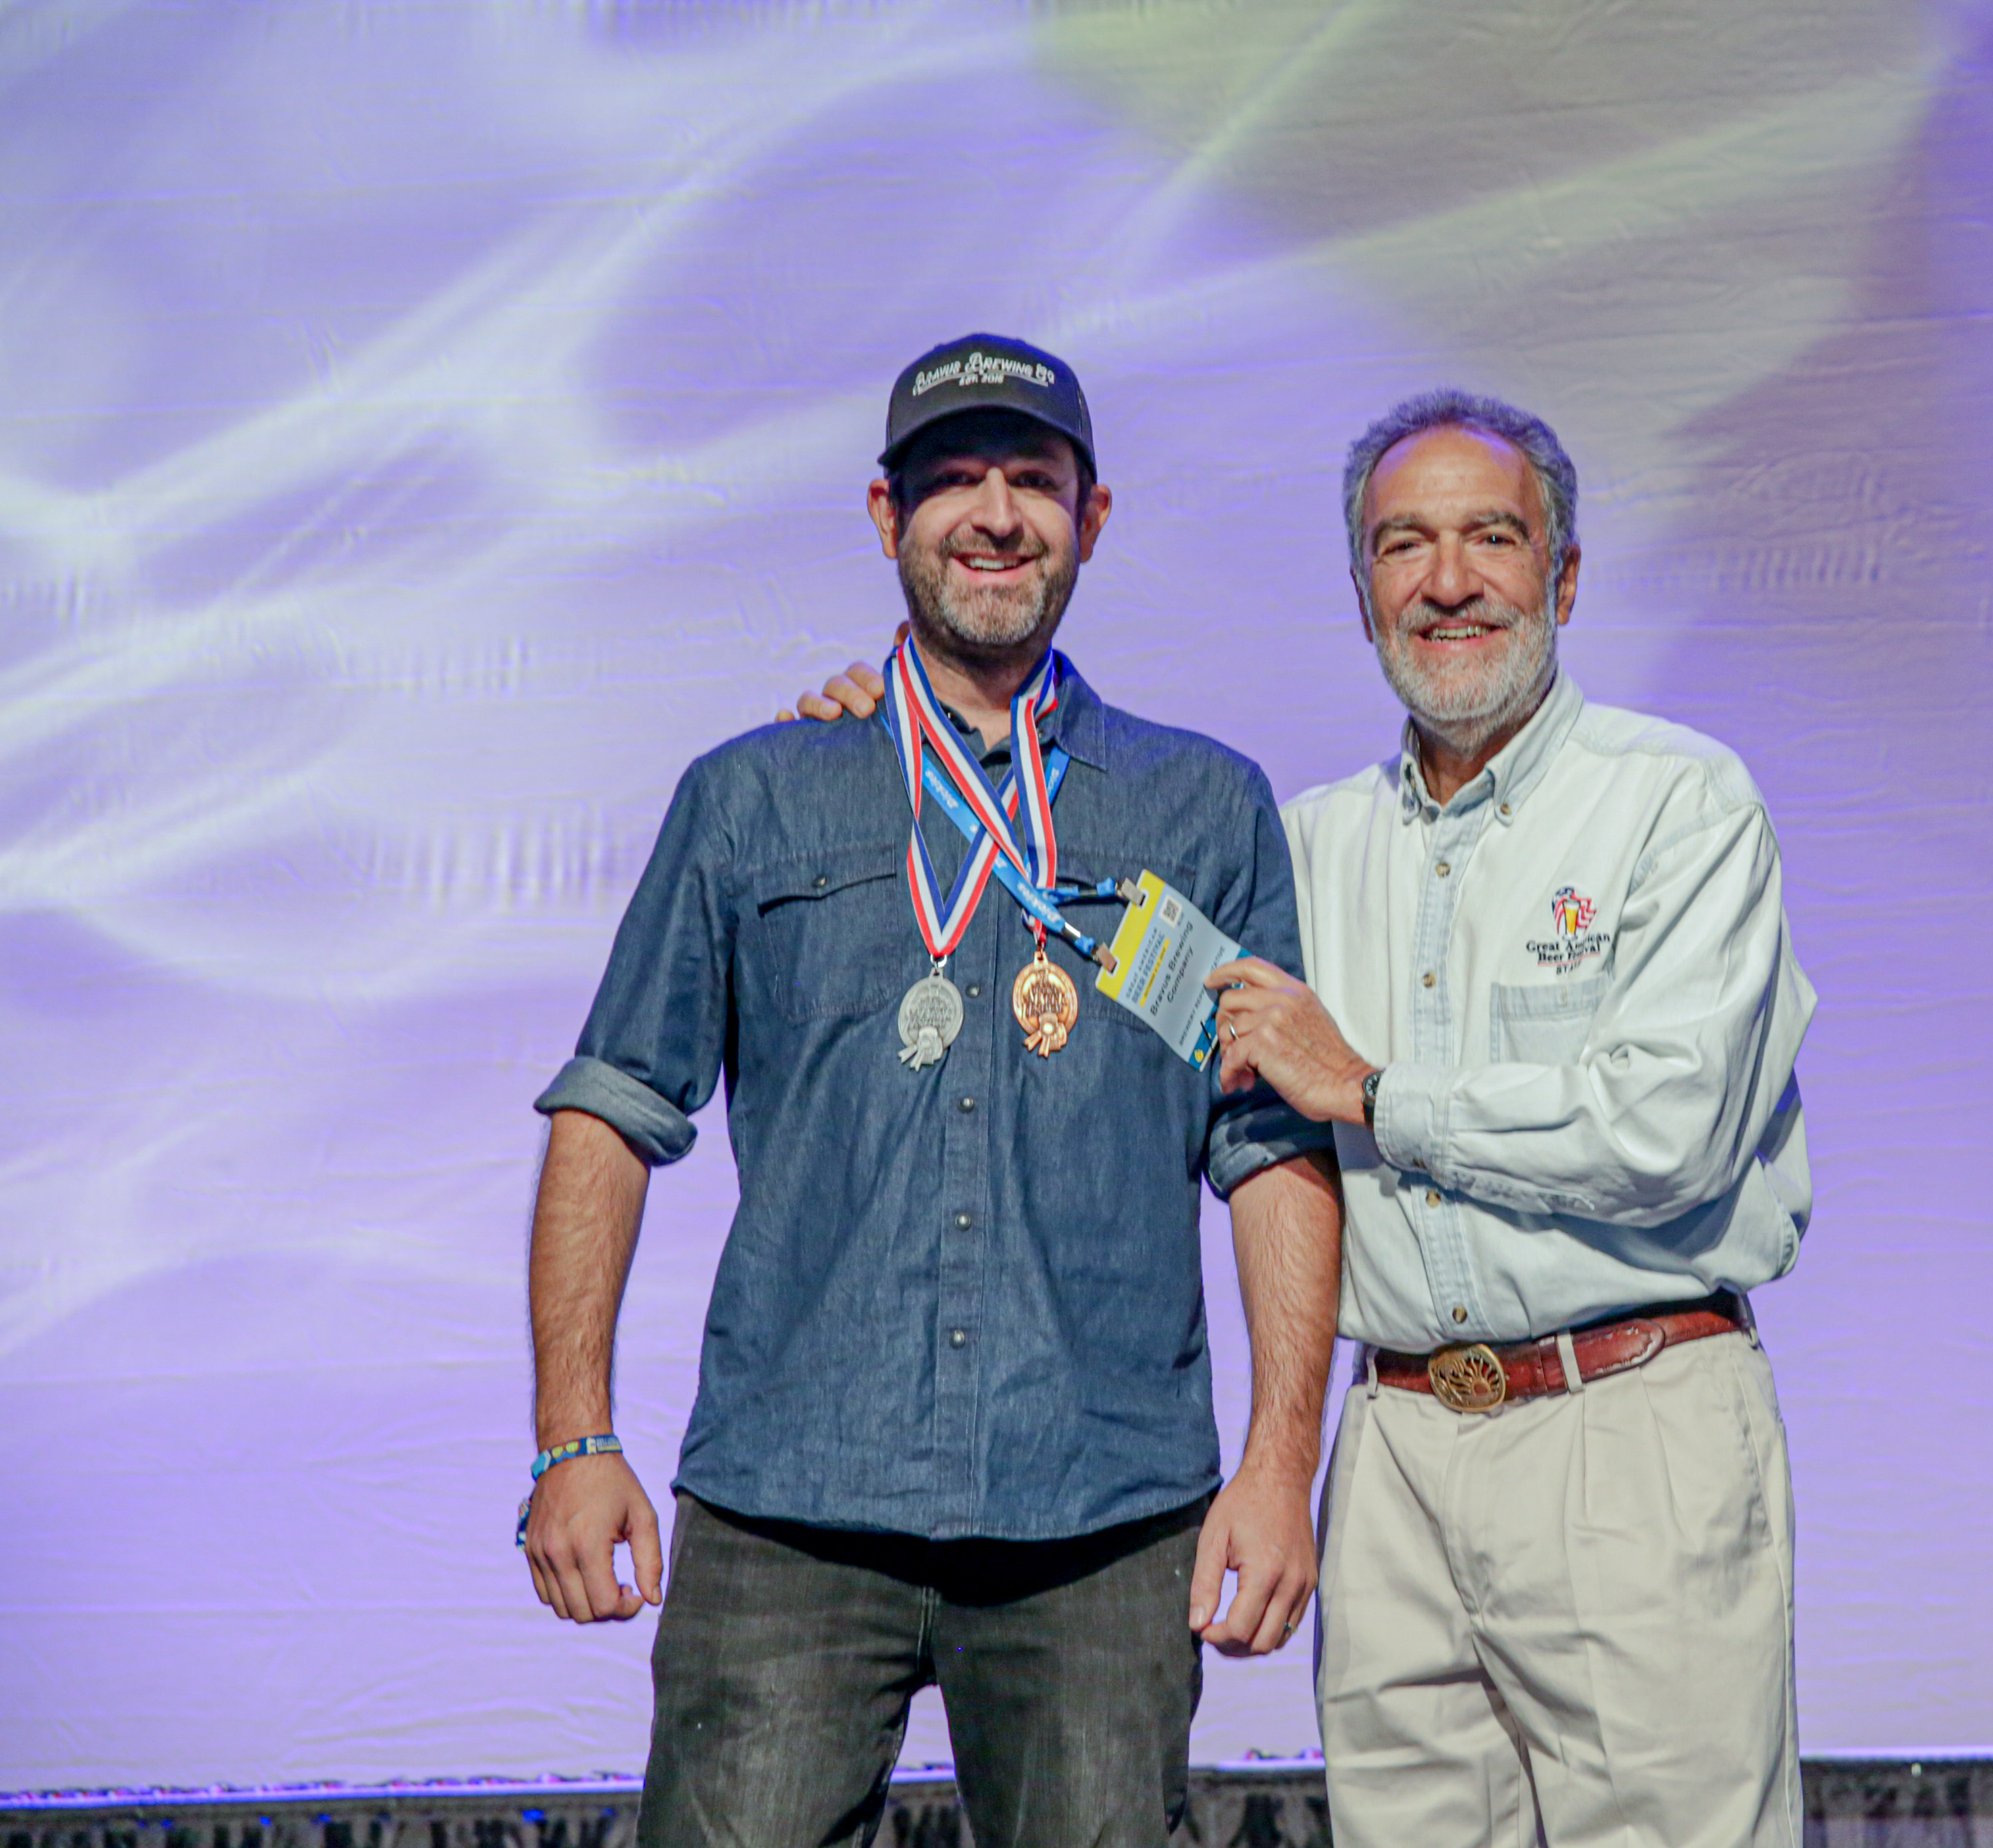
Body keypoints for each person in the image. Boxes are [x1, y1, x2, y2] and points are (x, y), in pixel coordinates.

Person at [796, 390, 1817, 1847]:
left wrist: (1376, 1094)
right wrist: (885, 735)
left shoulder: (1676, 803)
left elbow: (1671, 1133)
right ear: (1360, 595)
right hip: (1397, 1438)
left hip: (1629, 1413)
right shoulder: (1304, 841)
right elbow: (1080, 962)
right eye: (1404, 546)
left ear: (1566, 577)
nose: (1447, 581)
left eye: (1492, 539)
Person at [521, 333, 1341, 1848]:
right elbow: (609, 1112)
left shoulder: (1199, 805)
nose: (995, 513)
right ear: (885, 515)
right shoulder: (755, 794)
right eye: (954, 480)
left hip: (1101, 1519)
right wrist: (576, 1440)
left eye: (1035, 481)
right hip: (790, 1506)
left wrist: (1285, 1468)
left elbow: (1270, 1146)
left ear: (1093, 523)